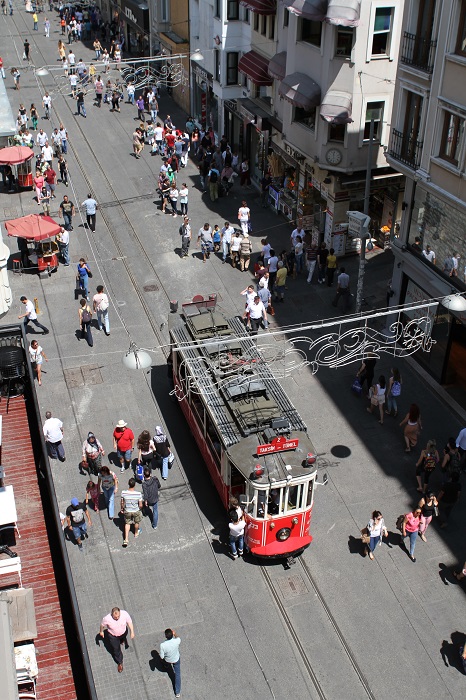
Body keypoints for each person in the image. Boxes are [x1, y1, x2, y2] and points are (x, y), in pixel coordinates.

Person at [99, 608, 134, 672]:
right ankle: (120, 662)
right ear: (112, 614)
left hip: (123, 632)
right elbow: (102, 625)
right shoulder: (107, 619)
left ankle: (121, 641)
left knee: (122, 638)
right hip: (113, 636)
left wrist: (132, 631)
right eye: (115, 617)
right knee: (116, 649)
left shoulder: (124, 614)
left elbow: (129, 622)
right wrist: (101, 632)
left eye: (118, 616)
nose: (117, 618)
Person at [120, 477, 143, 547]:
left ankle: (126, 539)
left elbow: (122, 502)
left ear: (128, 484)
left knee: (127, 523)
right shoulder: (138, 494)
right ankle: (136, 533)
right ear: (135, 485)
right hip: (136, 510)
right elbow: (140, 505)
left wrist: (122, 508)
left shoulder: (123, 493)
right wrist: (140, 509)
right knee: (136, 522)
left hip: (127, 510)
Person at [160, 629, 181, 698]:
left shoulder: (162, 645)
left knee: (164, 660)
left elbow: (162, 656)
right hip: (176, 659)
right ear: (172, 634)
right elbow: (178, 638)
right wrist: (175, 634)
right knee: (177, 675)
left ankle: (166, 666)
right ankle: (177, 692)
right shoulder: (177, 641)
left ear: (166, 636)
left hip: (168, 660)